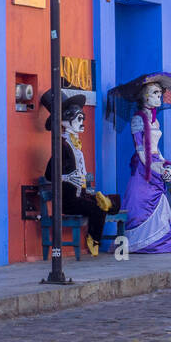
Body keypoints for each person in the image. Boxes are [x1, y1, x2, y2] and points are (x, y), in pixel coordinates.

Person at [42, 92, 117, 256]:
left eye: (82, 118)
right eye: (78, 119)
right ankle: (93, 239)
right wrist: (67, 177)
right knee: (98, 209)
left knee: (115, 200)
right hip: (68, 200)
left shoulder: (74, 145)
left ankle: (106, 203)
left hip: (80, 194)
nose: (82, 122)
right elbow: (49, 174)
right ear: (64, 121)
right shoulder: (61, 145)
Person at [121, 80, 171, 253]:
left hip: (155, 161)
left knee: (158, 202)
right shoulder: (137, 120)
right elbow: (141, 151)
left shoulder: (156, 122)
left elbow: (157, 149)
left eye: (159, 93)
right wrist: (157, 169)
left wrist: (166, 165)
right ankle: (140, 242)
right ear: (145, 97)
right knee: (139, 205)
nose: (159, 96)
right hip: (143, 168)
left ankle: (159, 241)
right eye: (155, 93)